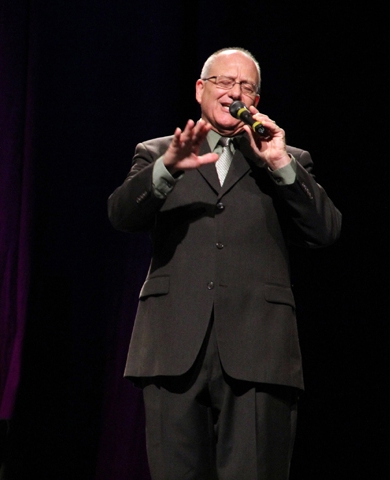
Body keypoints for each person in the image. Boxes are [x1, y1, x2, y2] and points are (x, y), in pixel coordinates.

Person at [108, 48, 341, 479]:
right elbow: (121, 215)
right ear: (201, 89)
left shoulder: (285, 158)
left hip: (259, 350)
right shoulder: (158, 152)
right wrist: (166, 170)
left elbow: (325, 230)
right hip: (171, 348)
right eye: (224, 82)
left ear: (256, 101)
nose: (235, 92)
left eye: (246, 87)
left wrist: (280, 164)